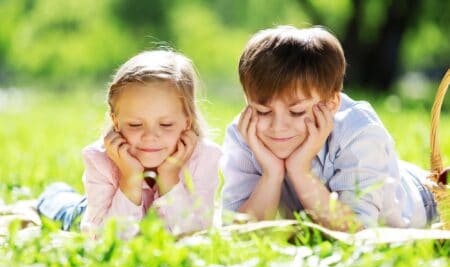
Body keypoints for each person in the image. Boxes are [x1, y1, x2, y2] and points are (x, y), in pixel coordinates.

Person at [221, 25, 438, 231]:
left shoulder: (359, 130)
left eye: (296, 112)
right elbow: (237, 231)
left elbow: (356, 230)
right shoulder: (246, 132)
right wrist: (272, 173)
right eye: (263, 111)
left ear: (331, 103)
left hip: (420, 199)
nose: (278, 127)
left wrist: (299, 171)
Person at [38, 50, 222, 237]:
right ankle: (53, 194)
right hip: (94, 214)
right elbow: (105, 238)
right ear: (116, 122)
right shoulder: (100, 159)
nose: (150, 136)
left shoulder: (204, 158)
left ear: (187, 122)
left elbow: (195, 234)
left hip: (116, 210)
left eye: (166, 124)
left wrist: (170, 178)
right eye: (135, 124)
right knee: (63, 208)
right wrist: (130, 179)